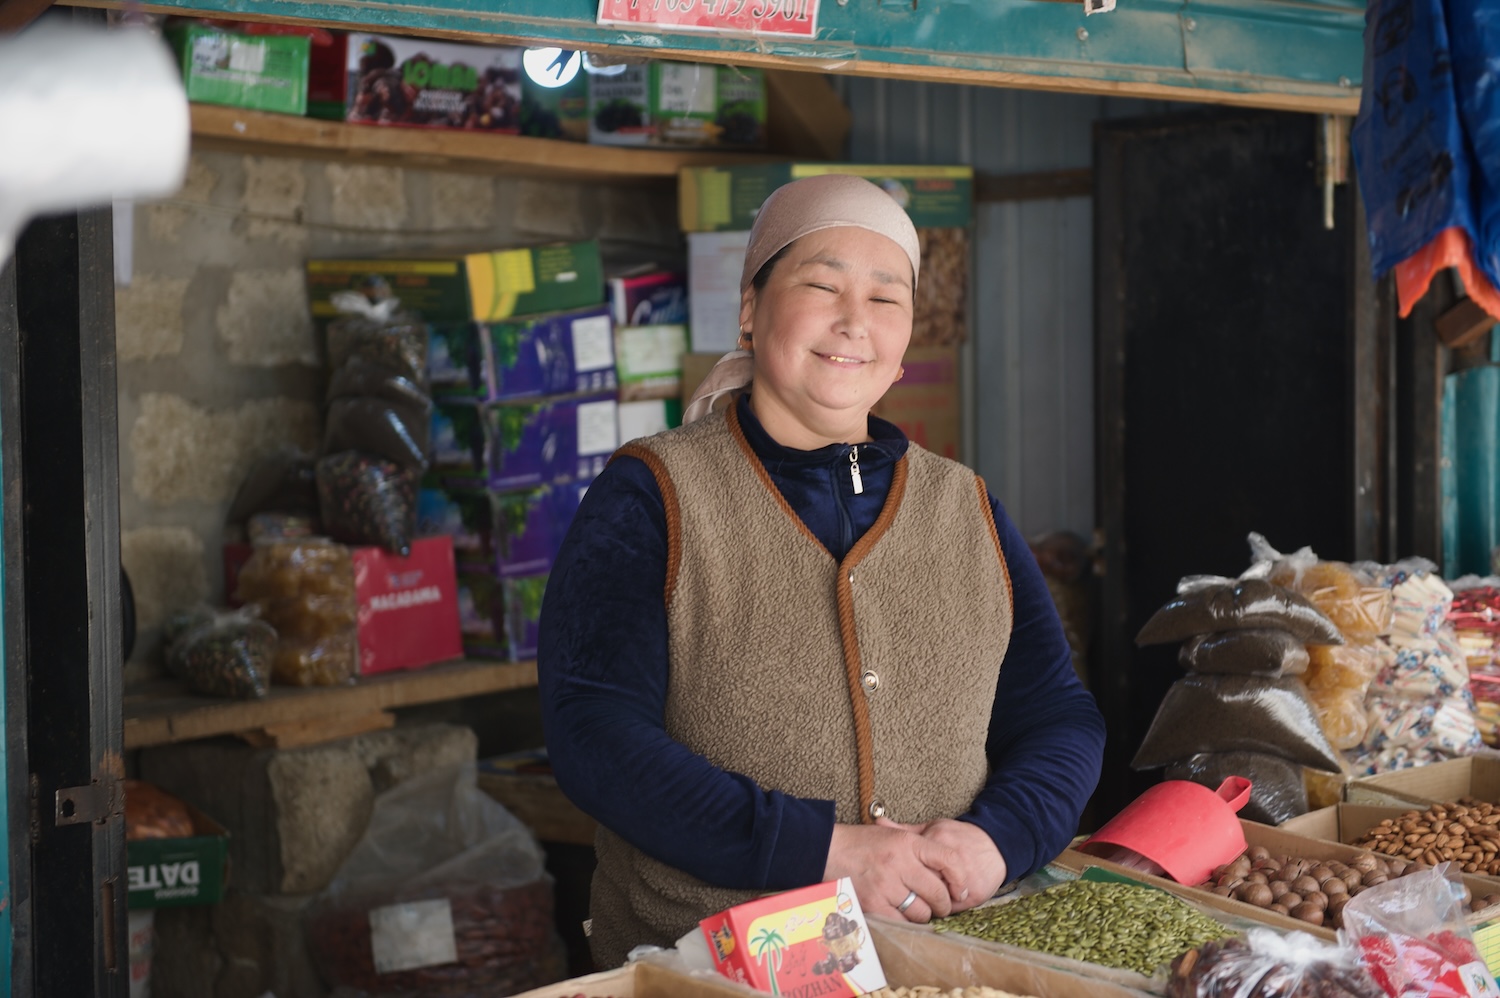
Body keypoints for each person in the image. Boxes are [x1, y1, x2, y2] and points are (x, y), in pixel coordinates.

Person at [538, 174, 1106, 970]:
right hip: (710, 970)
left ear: (909, 335)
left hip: (946, 969)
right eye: (820, 284)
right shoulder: (653, 497)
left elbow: (1056, 717)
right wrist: (827, 851)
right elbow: (594, 734)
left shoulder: (967, 509)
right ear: (749, 309)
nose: (854, 321)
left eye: (886, 299)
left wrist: (997, 840)